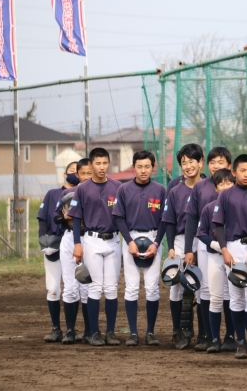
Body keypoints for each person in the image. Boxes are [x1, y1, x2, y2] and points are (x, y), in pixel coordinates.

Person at [212, 154, 247, 359]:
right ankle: (240, 342)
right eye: (242, 171)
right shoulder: (226, 195)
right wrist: (224, 250)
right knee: (236, 296)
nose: (246, 174)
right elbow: (218, 224)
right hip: (234, 247)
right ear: (233, 172)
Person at [68, 148, 122, 347]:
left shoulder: (117, 187)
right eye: (98, 163)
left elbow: (122, 217)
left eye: (105, 163)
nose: (102, 167)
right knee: (95, 287)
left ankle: (110, 332)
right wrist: (77, 244)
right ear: (90, 165)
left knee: (111, 288)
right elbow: (76, 218)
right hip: (92, 240)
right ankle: (94, 332)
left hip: (113, 240)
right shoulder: (82, 189)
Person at [112, 150, 167, 347]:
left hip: (153, 238)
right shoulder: (124, 189)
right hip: (132, 238)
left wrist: (157, 243)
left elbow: (165, 219)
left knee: (152, 287)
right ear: (133, 167)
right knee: (132, 287)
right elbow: (119, 217)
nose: (143, 170)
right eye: (139, 166)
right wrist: (129, 241)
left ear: (153, 167)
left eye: (147, 166)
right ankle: (133, 333)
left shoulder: (160, 190)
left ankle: (150, 332)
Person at [183, 147, 232, 352]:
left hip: (231, 246)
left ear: (229, 165)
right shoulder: (200, 187)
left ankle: (230, 336)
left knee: (229, 291)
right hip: (206, 245)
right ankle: (207, 335)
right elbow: (191, 219)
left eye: (221, 162)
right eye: (212, 162)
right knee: (204, 290)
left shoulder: (234, 185)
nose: (216, 166)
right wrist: (188, 249)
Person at [161, 143, 204, 349]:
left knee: (202, 287)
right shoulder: (175, 191)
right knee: (176, 287)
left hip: (203, 240)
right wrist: (170, 246)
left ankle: (204, 333)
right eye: (184, 162)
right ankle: (179, 331)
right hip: (179, 240)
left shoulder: (209, 187)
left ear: (200, 162)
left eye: (192, 161)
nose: (188, 166)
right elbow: (169, 221)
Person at [196, 168, 235, 353]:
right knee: (216, 297)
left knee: (232, 297)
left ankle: (231, 337)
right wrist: (215, 244)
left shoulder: (239, 207)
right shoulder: (209, 208)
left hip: (234, 257)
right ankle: (215, 339)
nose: (225, 186)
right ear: (216, 187)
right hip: (214, 256)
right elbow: (201, 232)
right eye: (221, 183)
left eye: (229, 182)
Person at [38, 161, 78, 343]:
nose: (75, 173)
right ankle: (56, 329)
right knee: (53, 288)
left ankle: (72, 330)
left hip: (73, 243)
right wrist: (42, 237)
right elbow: (42, 218)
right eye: (72, 171)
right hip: (55, 242)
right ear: (65, 174)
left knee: (75, 288)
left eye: (78, 171)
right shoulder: (52, 194)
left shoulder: (83, 193)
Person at [54, 159, 93, 344]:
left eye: (89, 173)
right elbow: (56, 217)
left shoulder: (98, 193)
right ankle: (70, 330)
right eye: (82, 173)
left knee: (87, 287)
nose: (86, 177)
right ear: (76, 175)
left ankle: (88, 331)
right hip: (70, 239)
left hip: (91, 238)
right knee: (70, 287)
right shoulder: (68, 193)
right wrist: (64, 216)